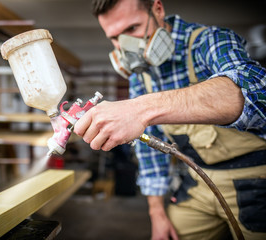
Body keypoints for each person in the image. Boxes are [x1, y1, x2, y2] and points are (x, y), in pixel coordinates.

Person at [74, 0, 266, 239]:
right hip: (197, 180)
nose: (126, 46)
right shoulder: (139, 78)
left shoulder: (210, 40)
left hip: (257, 178)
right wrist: (156, 213)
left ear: (157, 9)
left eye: (132, 29)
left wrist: (141, 109)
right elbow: (150, 151)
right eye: (114, 37)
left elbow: (258, 92)